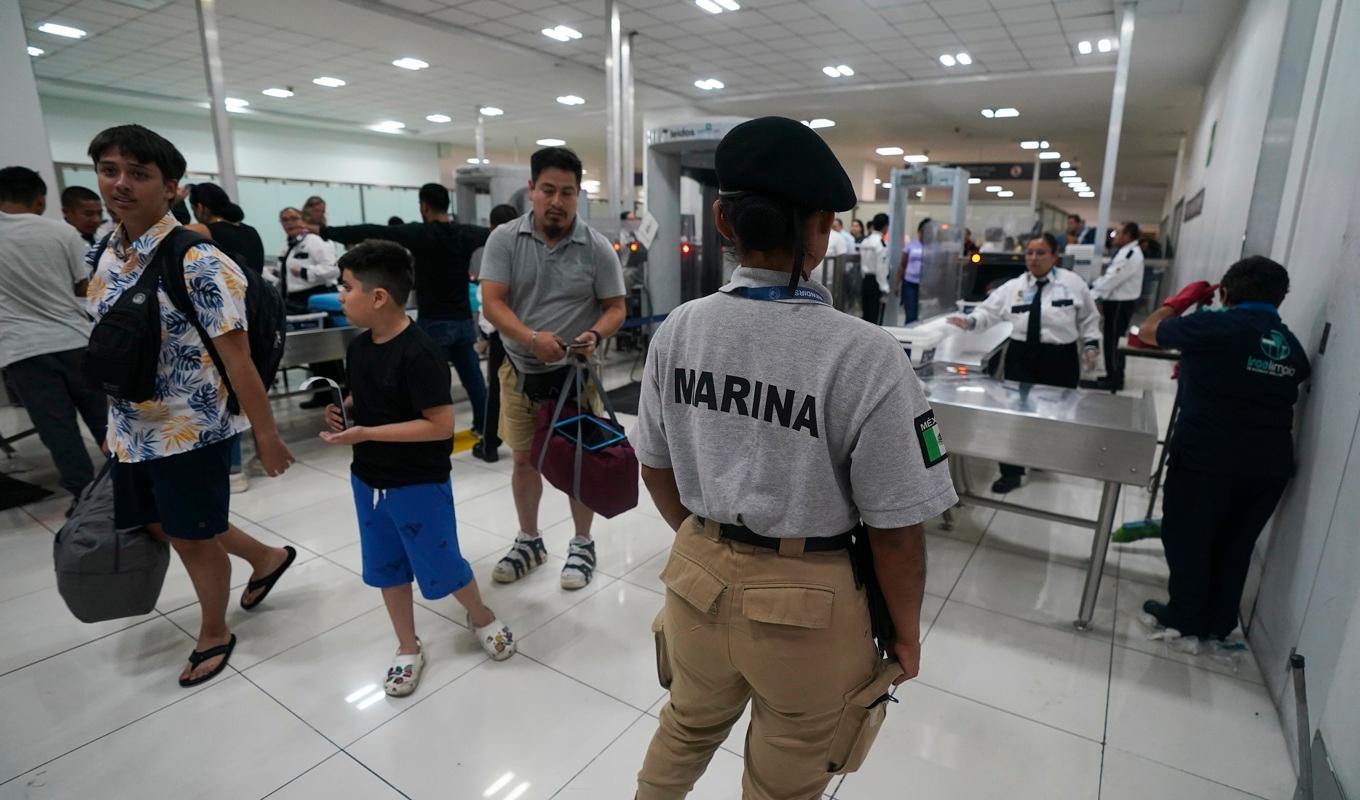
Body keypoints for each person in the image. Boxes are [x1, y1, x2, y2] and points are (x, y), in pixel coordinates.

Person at [632, 116, 956, 800]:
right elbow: (896, 531)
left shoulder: (678, 331)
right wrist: (906, 635)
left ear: (724, 221)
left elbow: (655, 466)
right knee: (784, 779)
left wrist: (707, 545)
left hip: (694, 583)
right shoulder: (867, 355)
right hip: (809, 609)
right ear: (824, 229)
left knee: (685, 728)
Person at [86, 124, 297, 687]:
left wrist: (267, 435)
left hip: (191, 427)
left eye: (139, 174)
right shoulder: (106, 251)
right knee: (165, 523)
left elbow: (240, 360)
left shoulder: (198, 259)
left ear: (172, 187)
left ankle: (214, 632)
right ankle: (267, 558)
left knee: (192, 536)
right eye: (110, 171)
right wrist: (114, 423)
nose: (121, 184)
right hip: (132, 426)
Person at [319, 241, 515, 696]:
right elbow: (366, 398)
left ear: (379, 296)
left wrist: (367, 433)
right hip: (368, 481)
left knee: (443, 561)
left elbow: (439, 427)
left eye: (346, 288)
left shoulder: (421, 352)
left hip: (417, 484)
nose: (341, 297)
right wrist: (345, 412)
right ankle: (407, 645)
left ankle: (480, 615)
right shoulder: (360, 348)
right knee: (387, 567)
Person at [1134, 257, 1309, 647]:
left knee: (1189, 537)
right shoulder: (1289, 345)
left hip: (1207, 458)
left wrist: (1179, 302)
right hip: (1269, 464)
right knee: (1235, 543)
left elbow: (1147, 332)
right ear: (1280, 299)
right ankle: (1219, 620)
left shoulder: (1213, 326)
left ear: (1225, 292)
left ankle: (1185, 616)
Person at [479, 146, 626, 591]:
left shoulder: (597, 247)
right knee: (524, 461)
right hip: (521, 372)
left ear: (579, 195)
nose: (557, 201)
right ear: (531, 190)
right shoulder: (504, 239)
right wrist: (530, 339)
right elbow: (493, 301)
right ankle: (530, 539)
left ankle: (582, 543)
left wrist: (595, 335)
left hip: (576, 377)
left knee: (580, 462)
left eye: (567, 192)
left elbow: (615, 307)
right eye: (548, 190)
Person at [316, 184, 492, 437]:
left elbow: (374, 231)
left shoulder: (421, 233)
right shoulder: (465, 233)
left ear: (424, 206)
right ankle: (484, 428)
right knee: (473, 379)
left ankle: (417, 429)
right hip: (464, 321)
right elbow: (496, 233)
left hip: (435, 321)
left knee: (427, 383)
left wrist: (324, 230)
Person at [949, 232, 1102, 493]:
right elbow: (989, 311)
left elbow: (1089, 319)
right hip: (1021, 356)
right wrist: (970, 321)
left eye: (1041, 253)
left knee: (1056, 411)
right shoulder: (1014, 287)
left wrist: (1091, 346)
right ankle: (1011, 471)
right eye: (1030, 253)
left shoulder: (1073, 284)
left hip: (1060, 357)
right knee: (1015, 412)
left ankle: (1041, 455)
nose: (1033, 258)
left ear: (1055, 256)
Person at [0, 167, 108, 506]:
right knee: (106, 420)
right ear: (41, 200)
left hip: (23, 350)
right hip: (76, 340)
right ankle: (132, 485)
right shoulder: (62, 233)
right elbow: (84, 287)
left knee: (57, 430)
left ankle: (87, 499)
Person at [276, 206, 345, 411]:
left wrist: (306, 272)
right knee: (313, 351)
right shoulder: (289, 245)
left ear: (303, 219)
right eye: (284, 220)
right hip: (296, 301)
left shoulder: (314, 241)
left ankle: (338, 395)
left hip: (317, 298)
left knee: (327, 349)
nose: (290, 223)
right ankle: (321, 394)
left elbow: (333, 268)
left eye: (293, 218)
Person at [471, 203, 521, 463]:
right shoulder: (527, 249)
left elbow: (487, 301)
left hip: (502, 335)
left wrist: (488, 331)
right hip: (527, 334)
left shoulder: (494, 250)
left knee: (497, 390)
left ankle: (490, 444)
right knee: (529, 388)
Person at [1086, 221, 1145, 391]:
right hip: (1117, 301)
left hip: (1121, 302)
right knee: (1112, 339)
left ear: (1127, 235)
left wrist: (1093, 292)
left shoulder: (1131, 254)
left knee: (1114, 340)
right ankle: (1111, 374)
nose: (1115, 236)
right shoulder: (1126, 251)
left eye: (1118, 233)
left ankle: (1115, 379)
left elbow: (1113, 278)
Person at [187, 182, 265, 275]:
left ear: (200, 208)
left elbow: (168, 231)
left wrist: (174, 202)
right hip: (256, 288)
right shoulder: (252, 231)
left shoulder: (205, 230)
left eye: (193, 210)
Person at [895, 217, 930, 323]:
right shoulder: (911, 244)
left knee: (925, 315)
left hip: (926, 285)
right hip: (910, 282)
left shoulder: (933, 246)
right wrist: (897, 284)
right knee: (911, 313)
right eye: (922, 231)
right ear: (919, 231)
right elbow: (902, 265)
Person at [857, 212, 889, 325]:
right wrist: (884, 288)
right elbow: (881, 268)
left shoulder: (865, 241)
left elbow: (862, 263)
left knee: (866, 315)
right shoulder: (881, 244)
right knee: (874, 318)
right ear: (885, 227)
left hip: (865, 280)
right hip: (876, 283)